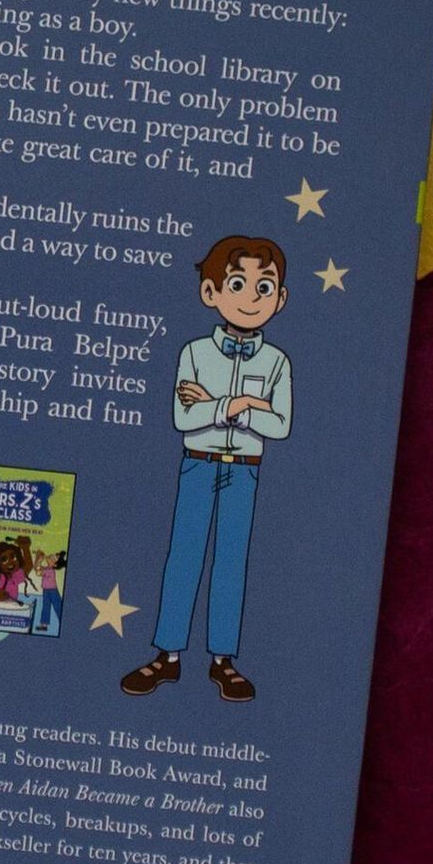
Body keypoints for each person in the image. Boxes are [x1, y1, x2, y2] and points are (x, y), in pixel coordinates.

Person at [121, 234, 293, 701]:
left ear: (280, 299)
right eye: (238, 284)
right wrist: (241, 404)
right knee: (184, 556)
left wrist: (218, 405)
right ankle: (168, 655)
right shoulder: (195, 353)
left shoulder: (277, 362)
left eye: (263, 287)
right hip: (197, 464)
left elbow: (280, 425)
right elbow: (183, 417)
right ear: (211, 292)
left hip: (245, 469)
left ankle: (223, 660)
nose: (250, 298)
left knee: (231, 560)